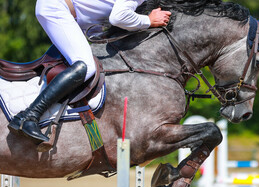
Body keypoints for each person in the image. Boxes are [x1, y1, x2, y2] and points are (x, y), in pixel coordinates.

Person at [8, 0, 171, 145]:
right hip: (57, 8)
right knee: (86, 65)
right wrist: (148, 20)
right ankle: (28, 116)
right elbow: (118, 17)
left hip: (67, 12)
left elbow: (98, 17)